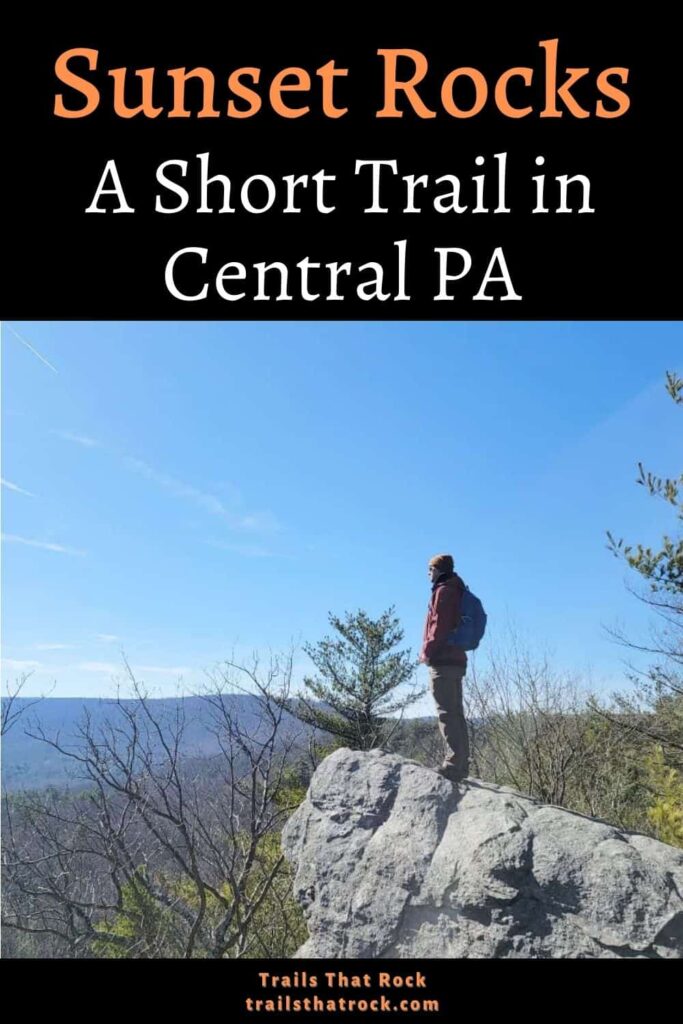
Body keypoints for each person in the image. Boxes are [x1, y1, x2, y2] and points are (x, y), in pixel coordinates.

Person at [420, 553, 469, 783]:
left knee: (446, 713)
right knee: (456, 713)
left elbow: (438, 626)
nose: (428, 574)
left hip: (444, 660)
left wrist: (427, 653)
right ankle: (461, 764)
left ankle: (453, 765)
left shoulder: (444, 592)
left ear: (438, 569)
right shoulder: (457, 590)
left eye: (430, 570)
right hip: (456, 659)